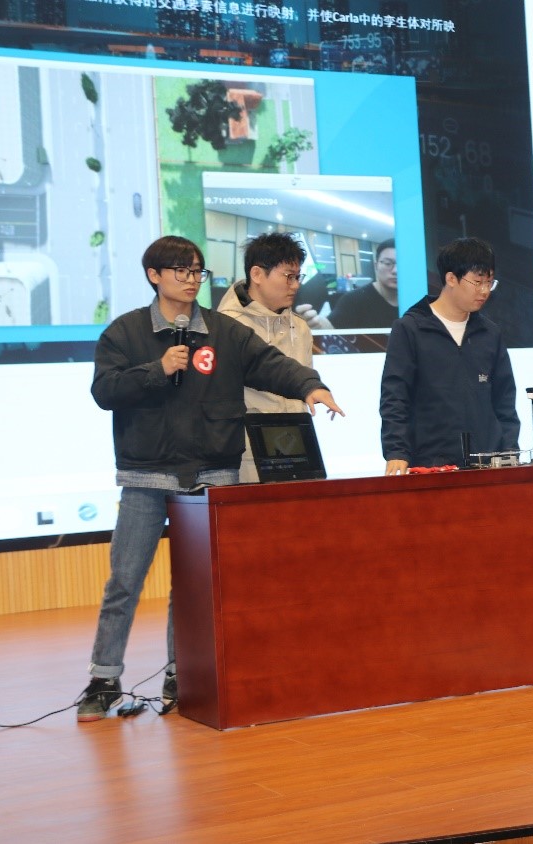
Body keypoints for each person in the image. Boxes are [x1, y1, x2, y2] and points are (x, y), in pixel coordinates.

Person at [78, 235, 345, 721]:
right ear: (153, 275)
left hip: (212, 475)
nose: (191, 280)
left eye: (197, 271)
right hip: (146, 475)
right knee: (125, 581)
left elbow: (270, 365)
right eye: (180, 270)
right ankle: (103, 678)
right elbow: (104, 390)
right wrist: (157, 369)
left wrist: (311, 386)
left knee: (194, 588)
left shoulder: (224, 332)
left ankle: (183, 673)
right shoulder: (126, 331)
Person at [380, 236, 520, 474]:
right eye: (477, 282)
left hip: (487, 465)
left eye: (490, 282)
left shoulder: (490, 333)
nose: (484, 291)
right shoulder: (410, 329)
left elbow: (504, 401)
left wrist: (509, 451)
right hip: (430, 464)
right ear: (451, 278)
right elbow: (395, 397)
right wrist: (397, 451)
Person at [217, 231, 316, 483]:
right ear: (257, 274)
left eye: (298, 277)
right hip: (247, 458)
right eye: (288, 276)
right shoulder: (225, 326)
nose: (295, 285)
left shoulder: (300, 328)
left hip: (298, 453)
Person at [301, 239, 398, 331]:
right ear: (376, 266)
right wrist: (315, 323)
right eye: (388, 263)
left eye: (402, 264)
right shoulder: (353, 300)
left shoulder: (408, 300)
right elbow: (331, 329)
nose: (395, 270)